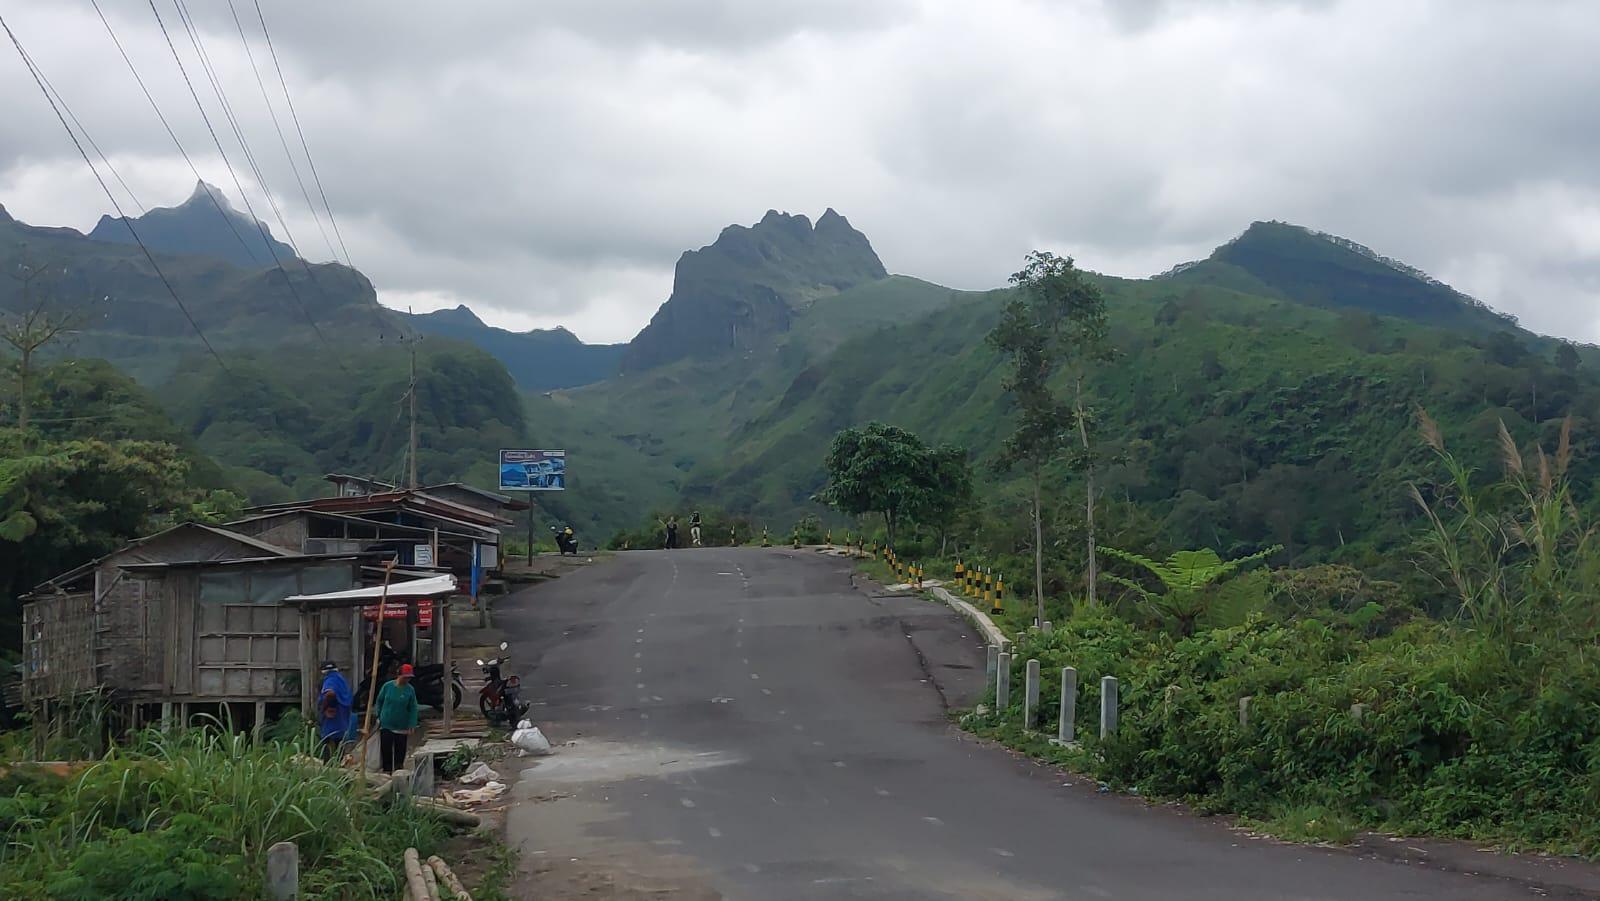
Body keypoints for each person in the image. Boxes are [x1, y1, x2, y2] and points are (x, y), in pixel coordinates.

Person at [374, 663, 419, 773]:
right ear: (399, 675)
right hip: (386, 723)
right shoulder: (387, 686)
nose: (407, 680)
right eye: (405, 677)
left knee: (400, 750)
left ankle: (399, 771)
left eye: (409, 678)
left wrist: (412, 723)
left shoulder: (410, 690)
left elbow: (413, 707)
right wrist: (378, 715)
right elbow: (379, 701)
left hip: (401, 725)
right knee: (386, 750)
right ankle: (387, 771)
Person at [317, 660, 353, 760]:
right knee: (339, 743)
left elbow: (330, 693)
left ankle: (327, 763)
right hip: (342, 716)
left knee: (327, 741)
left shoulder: (330, 680)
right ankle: (339, 763)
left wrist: (326, 708)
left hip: (332, 715)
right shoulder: (342, 680)